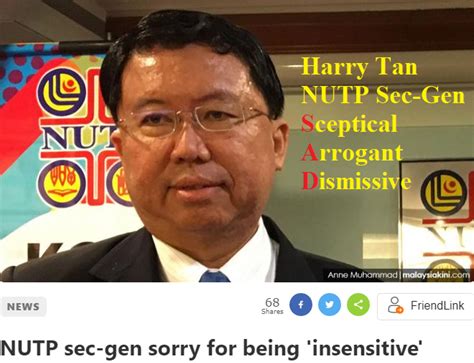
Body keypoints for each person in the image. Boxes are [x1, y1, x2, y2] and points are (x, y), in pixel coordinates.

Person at [1, 9, 358, 282]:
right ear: (121, 151)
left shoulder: (369, 305)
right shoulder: (31, 292)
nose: (189, 148)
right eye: (155, 120)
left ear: (277, 144)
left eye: (218, 114)